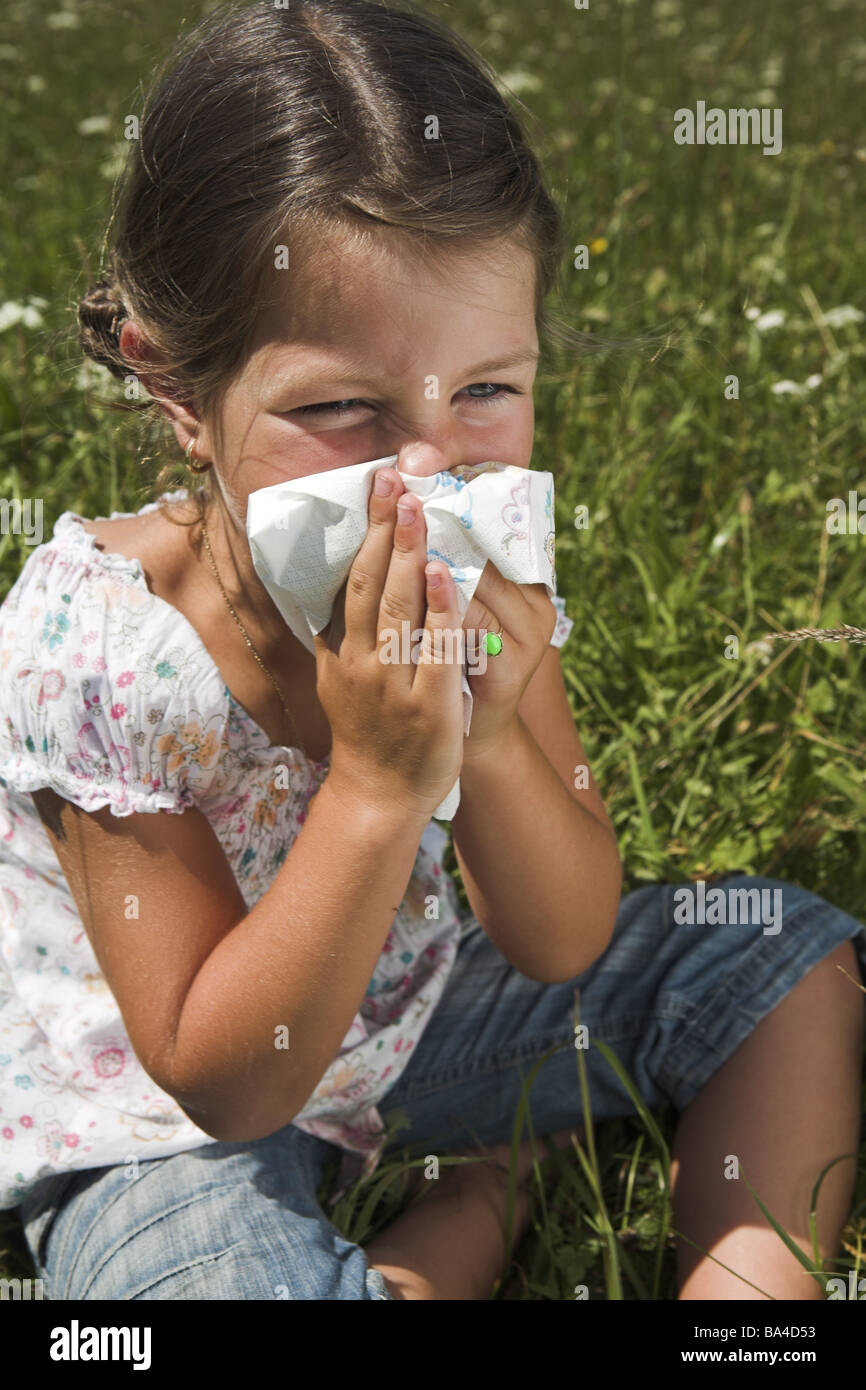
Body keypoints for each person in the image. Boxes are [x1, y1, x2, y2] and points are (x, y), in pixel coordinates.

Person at [1, 0, 863, 1301]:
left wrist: (499, 734)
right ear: (176, 384)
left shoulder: (482, 560)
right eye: (338, 407)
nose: (422, 468)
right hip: (160, 1125)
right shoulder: (103, 641)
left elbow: (559, 937)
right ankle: (480, 1203)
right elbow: (220, 1073)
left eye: (483, 392)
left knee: (776, 953)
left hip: (402, 1028)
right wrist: (373, 789)